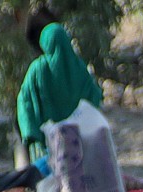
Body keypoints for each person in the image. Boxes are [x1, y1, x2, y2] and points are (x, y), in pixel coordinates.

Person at [16, 7, 103, 162]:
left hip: (47, 144)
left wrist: (31, 135)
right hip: (79, 142)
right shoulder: (79, 67)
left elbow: (25, 101)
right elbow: (95, 95)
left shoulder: (38, 67)